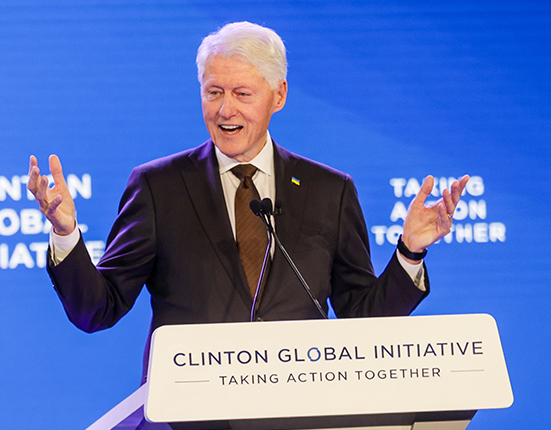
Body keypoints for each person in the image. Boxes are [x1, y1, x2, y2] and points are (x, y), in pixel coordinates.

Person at [28, 21, 469, 373]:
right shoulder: (158, 187)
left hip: (299, 426)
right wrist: (66, 235)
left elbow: (364, 321)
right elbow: (96, 310)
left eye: (242, 94)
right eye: (213, 92)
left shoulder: (328, 191)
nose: (225, 110)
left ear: (278, 96)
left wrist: (410, 253)